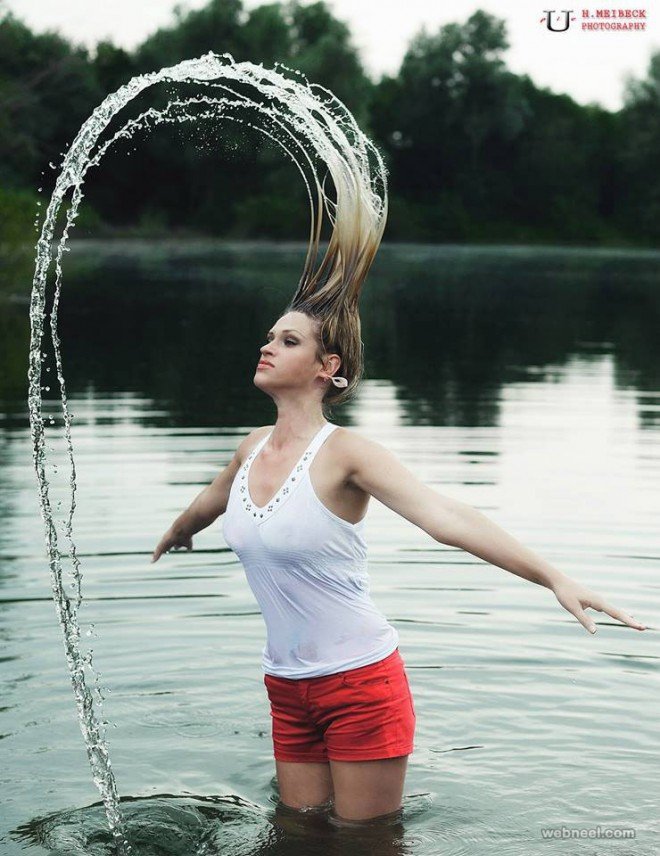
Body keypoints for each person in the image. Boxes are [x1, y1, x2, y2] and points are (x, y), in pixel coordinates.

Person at [150, 116, 645, 827]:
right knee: (297, 835)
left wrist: (555, 578)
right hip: (287, 687)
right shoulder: (251, 447)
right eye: (268, 335)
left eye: (286, 340)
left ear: (328, 370)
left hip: (359, 683)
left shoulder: (347, 455)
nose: (266, 345)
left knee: (365, 842)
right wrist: (177, 533)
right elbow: (210, 501)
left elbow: (449, 520)